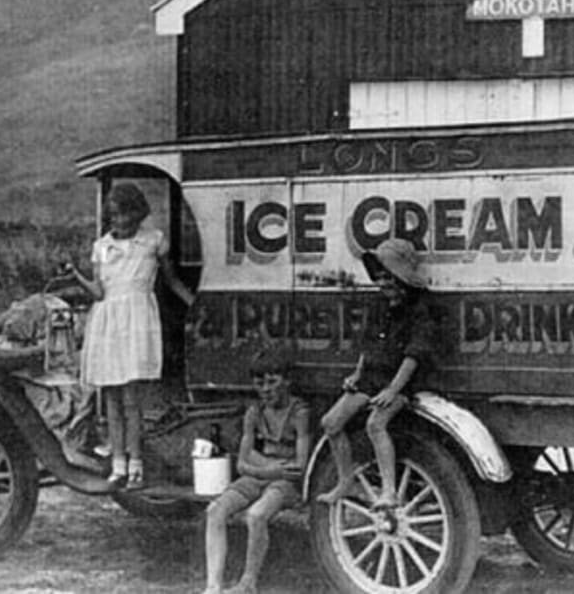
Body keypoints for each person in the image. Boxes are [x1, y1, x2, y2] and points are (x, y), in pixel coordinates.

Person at [68, 182, 194, 488]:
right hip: (108, 322)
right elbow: (99, 292)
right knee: (111, 396)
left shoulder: (153, 241)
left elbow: (172, 280)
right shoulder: (101, 247)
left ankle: (136, 464)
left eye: (124, 215)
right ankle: (119, 464)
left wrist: (195, 305)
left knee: (132, 399)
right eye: (113, 216)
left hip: (137, 321)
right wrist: (76, 275)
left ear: (137, 214)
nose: (118, 222)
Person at [316, 238, 436, 510]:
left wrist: (393, 390)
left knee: (375, 424)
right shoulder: (379, 307)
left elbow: (413, 357)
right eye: (381, 278)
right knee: (330, 423)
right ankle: (346, 480)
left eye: (390, 278)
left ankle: (390, 491)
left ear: (402, 279)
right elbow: (367, 348)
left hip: (401, 384)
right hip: (372, 378)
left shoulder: (419, 312)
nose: (384, 284)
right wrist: (357, 375)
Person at [201, 350, 312, 594]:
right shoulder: (254, 413)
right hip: (266, 474)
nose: (266, 389)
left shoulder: (299, 413)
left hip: (284, 484)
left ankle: (248, 582)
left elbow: (300, 467)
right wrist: (270, 467)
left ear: (287, 381)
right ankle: (213, 586)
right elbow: (241, 464)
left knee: (256, 515)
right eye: (259, 383)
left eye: (272, 382)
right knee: (215, 510)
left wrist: (259, 464)